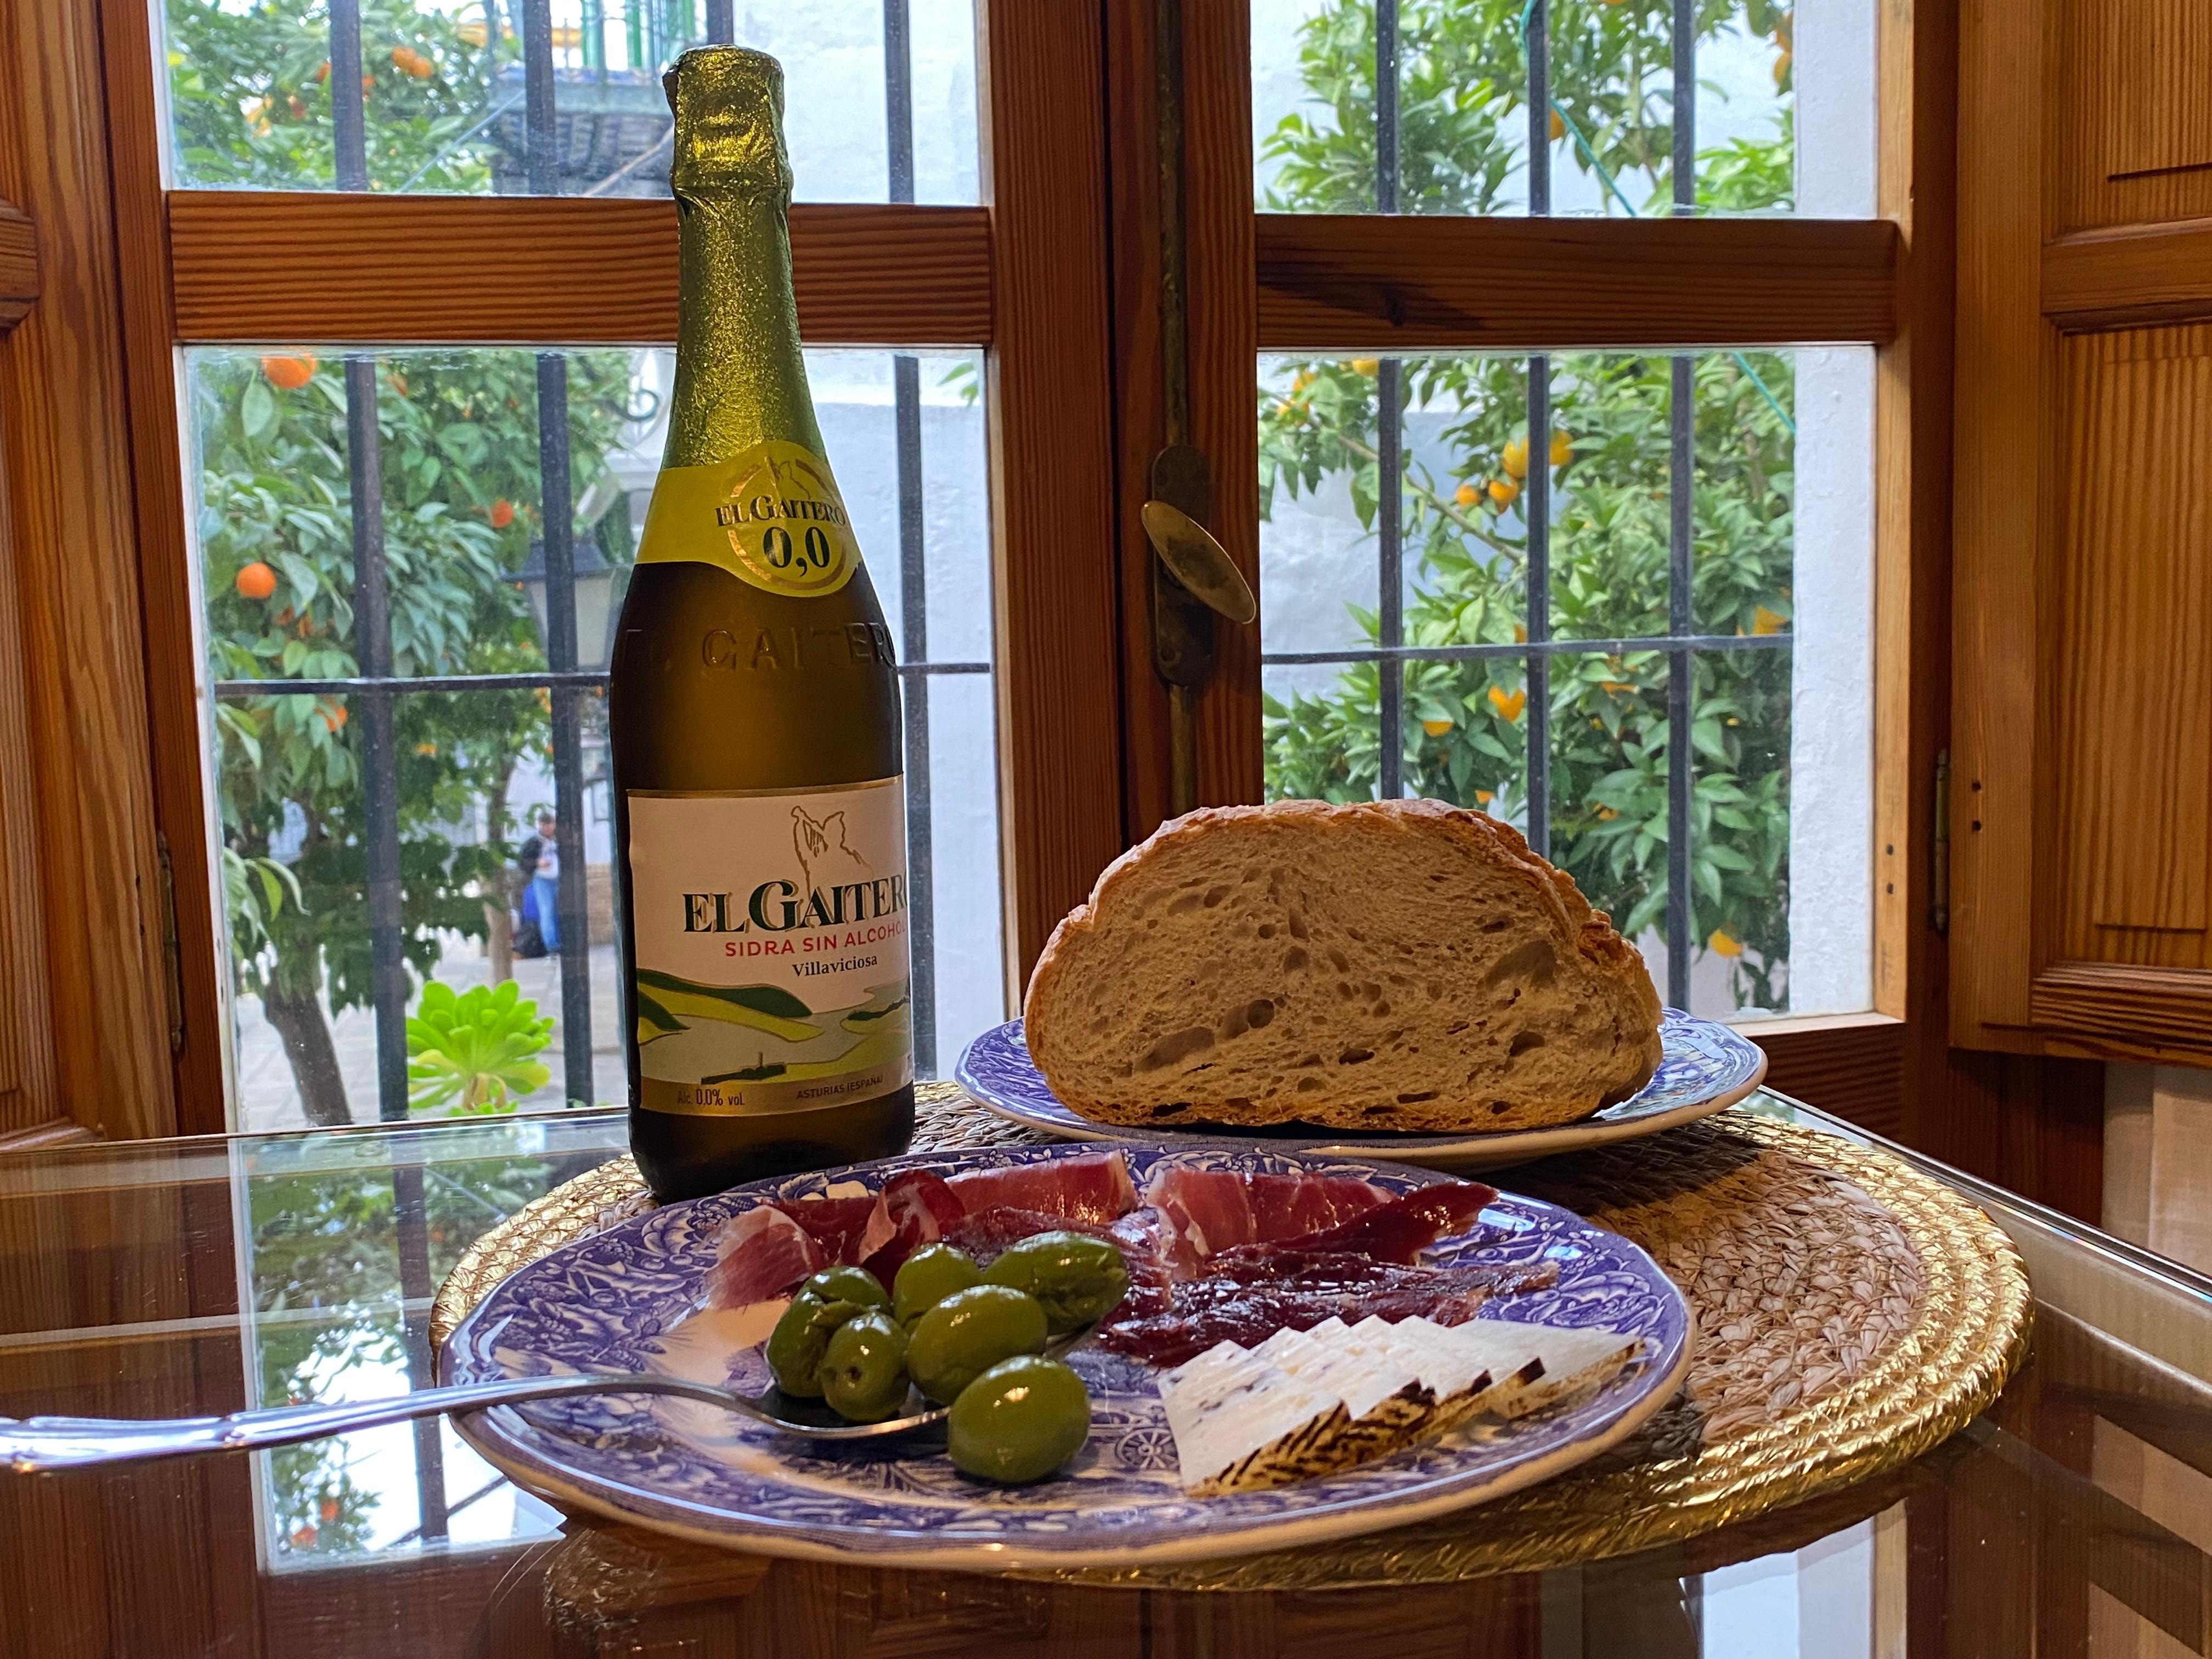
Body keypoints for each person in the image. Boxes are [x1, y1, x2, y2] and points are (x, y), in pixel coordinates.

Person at [515, 811, 560, 957]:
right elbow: (523, 862)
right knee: (547, 910)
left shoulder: (558, 840)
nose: (546, 828)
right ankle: (551, 945)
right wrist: (537, 863)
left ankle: (561, 940)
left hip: (559, 879)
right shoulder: (534, 843)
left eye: (549, 824)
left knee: (559, 911)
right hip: (543, 880)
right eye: (543, 825)